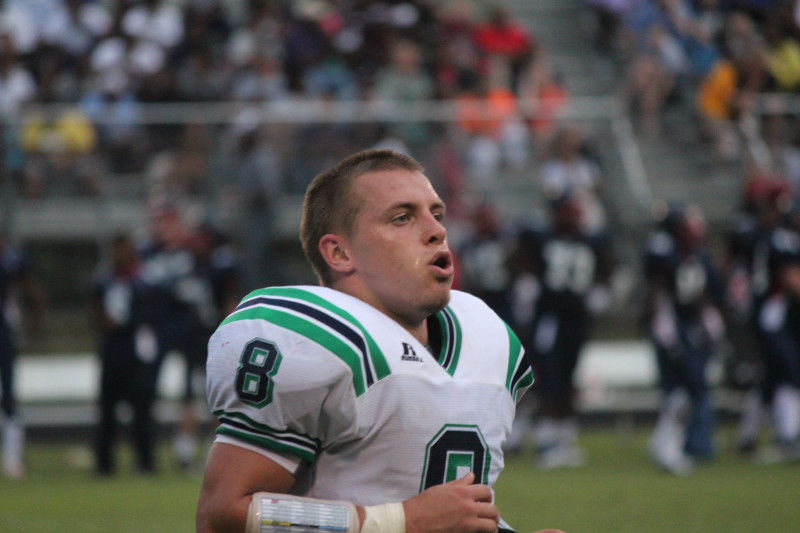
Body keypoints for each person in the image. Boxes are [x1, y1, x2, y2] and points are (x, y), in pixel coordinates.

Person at [196, 149, 564, 533]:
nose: (436, 230)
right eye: (402, 218)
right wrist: (400, 521)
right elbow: (222, 516)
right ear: (339, 252)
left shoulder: (488, 339)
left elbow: (450, 514)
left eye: (436, 214)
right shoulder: (313, 342)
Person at [509, 193, 614, 469]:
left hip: (577, 320)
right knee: (550, 377)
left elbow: (606, 267)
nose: (574, 217)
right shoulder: (542, 238)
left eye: (576, 212)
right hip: (551, 319)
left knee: (568, 378)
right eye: (569, 212)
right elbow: (520, 259)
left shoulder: (592, 241)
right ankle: (547, 441)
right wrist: (528, 285)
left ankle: (562, 439)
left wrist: (601, 289)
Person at [641, 202, 726, 474]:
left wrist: (708, 317)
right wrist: (661, 324)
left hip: (687, 328)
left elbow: (699, 291)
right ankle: (668, 446)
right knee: (680, 388)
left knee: (685, 389)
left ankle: (667, 442)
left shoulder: (697, 256)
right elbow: (659, 291)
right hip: (670, 327)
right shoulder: (665, 253)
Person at [90, 231, 160, 475]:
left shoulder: (142, 279)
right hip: (111, 351)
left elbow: (150, 313)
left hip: (134, 352)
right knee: (107, 409)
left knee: (141, 410)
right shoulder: (105, 278)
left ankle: (145, 461)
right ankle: (104, 463)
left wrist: (125, 323)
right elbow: (95, 308)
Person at [0, 228, 44, 480]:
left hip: (4, 332)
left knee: (9, 397)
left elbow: (32, 291)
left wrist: (30, 324)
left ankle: (12, 458)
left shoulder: (11, 261)